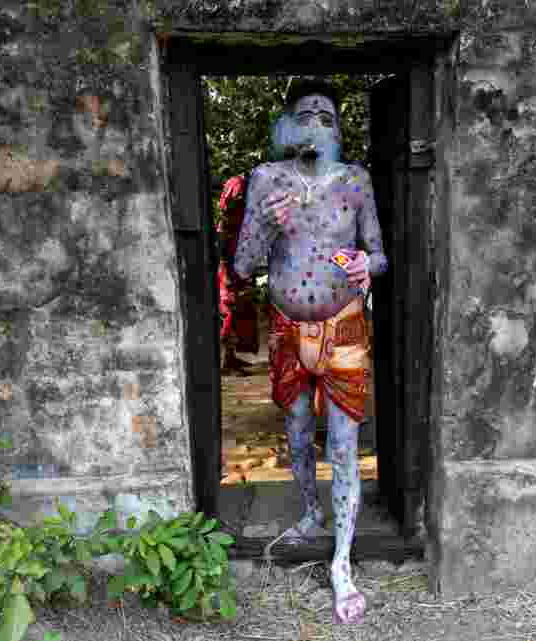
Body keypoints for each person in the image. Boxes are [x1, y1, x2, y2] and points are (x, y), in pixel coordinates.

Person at [233, 79, 388, 625]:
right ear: (289, 124)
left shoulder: (356, 181)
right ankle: (308, 511)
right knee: (297, 432)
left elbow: (379, 256)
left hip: (345, 329)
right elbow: (242, 266)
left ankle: (342, 564)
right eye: (307, 113)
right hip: (287, 333)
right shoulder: (267, 181)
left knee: (343, 447)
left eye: (327, 115)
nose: (317, 122)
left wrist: (371, 266)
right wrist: (262, 221)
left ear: (338, 129)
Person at [216, 174, 259, 375]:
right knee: (229, 307)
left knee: (240, 306)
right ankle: (224, 362)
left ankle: (231, 358)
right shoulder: (237, 189)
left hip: (237, 257)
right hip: (230, 261)